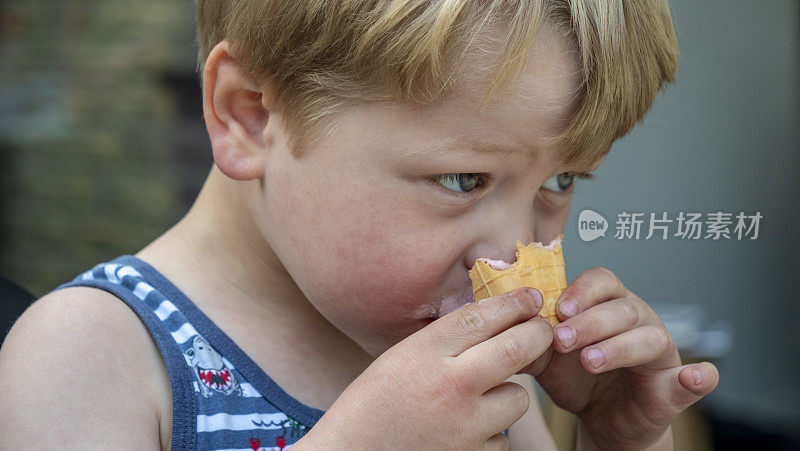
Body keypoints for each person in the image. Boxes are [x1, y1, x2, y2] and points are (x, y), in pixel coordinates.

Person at [0, 0, 719, 449]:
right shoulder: (90, 358)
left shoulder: (469, 374)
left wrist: (620, 443)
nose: (514, 252)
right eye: (462, 178)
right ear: (250, 114)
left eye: (560, 181)